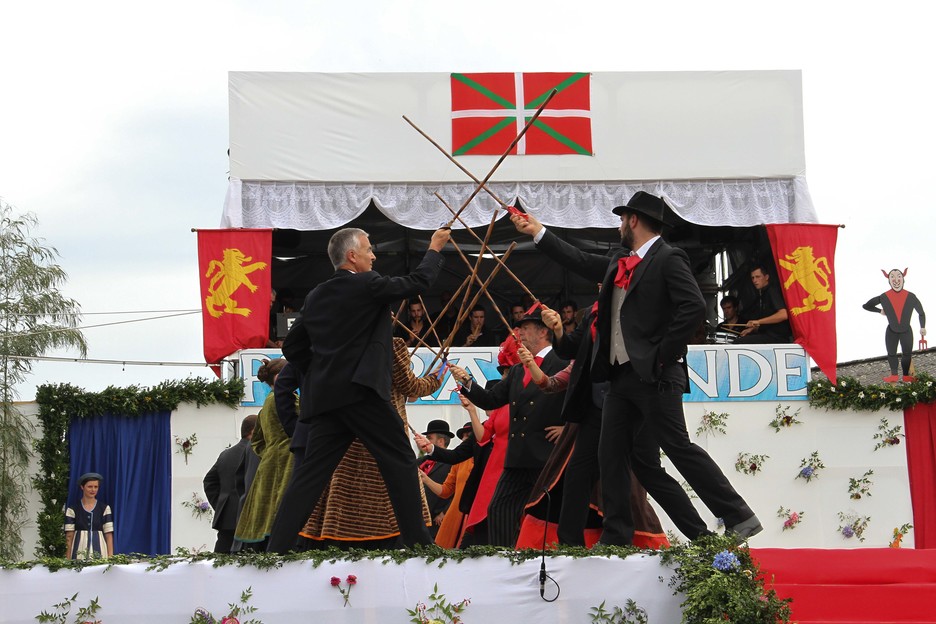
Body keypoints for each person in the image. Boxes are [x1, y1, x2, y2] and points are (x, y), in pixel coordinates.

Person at [511, 191, 760, 546]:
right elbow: (580, 259)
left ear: (633, 220)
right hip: (619, 379)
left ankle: (739, 516)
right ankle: (617, 536)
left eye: (620, 220)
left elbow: (692, 308)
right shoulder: (620, 262)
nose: (618, 227)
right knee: (611, 456)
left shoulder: (669, 258)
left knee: (677, 446)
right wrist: (538, 232)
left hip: (656, 375)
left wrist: (659, 356)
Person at [267, 226, 451, 552]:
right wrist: (435, 248)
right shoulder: (367, 284)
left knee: (310, 475)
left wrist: (321, 371)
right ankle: (420, 545)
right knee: (400, 460)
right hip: (361, 394)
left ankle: (277, 548)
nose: (373, 255)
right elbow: (418, 283)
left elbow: (293, 347)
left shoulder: (316, 294)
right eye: (368, 249)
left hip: (326, 400)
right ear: (352, 256)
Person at [514, 304, 679, 548]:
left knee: (628, 485)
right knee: (576, 479)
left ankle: (625, 542)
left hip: (623, 428)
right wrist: (532, 365)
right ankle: (572, 543)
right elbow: (551, 384)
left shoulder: (628, 353)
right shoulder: (582, 359)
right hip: (591, 426)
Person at [440, 310, 569, 547]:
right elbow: (491, 400)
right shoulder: (518, 369)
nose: (519, 333)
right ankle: (504, 559)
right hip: (518, 457)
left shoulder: (562, 362)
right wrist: (467, 381)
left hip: (547, 455)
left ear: (543, 332)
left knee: (552, 513)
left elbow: (579, 399)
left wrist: (568, 428)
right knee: (499, 507)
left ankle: (557, 558)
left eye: (525, 328)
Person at [299, 337, 441, 548]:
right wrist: (437, 376)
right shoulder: (391, 343)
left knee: (345, 487)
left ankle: (337, 538)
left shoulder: (339, 340)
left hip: (348, 429)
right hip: (384, 429)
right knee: (396, 490)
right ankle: (411, 542)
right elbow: (411, 387)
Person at [234, 358, 292, 550]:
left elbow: (256, 441)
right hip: (287, 462)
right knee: (282, 510)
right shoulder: (286, 399)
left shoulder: (266, 404)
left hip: (269, 464)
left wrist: (270, 453)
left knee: (267, 511)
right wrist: (284, 448)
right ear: (279, 377)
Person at [420, 402, 484, 549]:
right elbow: (446, 490)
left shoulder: (488, 457)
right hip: (456, 517)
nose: (466, 438)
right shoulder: (459, 462)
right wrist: (425, 479)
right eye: (464, 436)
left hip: (478, 515)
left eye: (470, 435)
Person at [203, 414, 257, 553]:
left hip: (226, 519)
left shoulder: (225, 454)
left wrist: (221, 503)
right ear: (253, 431)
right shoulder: (258, 452)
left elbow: (209, 481)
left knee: (221, 562)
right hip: (251, 518)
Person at [863, 268, 927, 382]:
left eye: (899, 276)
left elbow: (921, 312)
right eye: (892, 276)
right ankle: (894, 374)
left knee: (907, 354)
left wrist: (922, 327)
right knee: (891, 353)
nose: (896, 279)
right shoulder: (884, 297)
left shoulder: (911, 297)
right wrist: (879, 311)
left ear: (903, 279)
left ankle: (906, 375)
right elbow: (866, 305)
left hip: (906, 330)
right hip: (891, 330)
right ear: (889, 280)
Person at [735, 265, 792, 344]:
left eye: (758, 277)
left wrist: (758, 321)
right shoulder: (763, 294)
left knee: (738, 343)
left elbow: (783, 314)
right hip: (768, 335)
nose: (755, 280)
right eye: (753, 278)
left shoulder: (772, 291)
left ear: (766, 277)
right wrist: (751, 329)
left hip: (777, 338)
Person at [64, 472, 114, 560]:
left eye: (96, 487)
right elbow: (69, 536)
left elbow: (108, 535)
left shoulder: (105, 508)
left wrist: (110, 557)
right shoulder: (72, 509)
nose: (93, 490)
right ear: (82, 487)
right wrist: (67, 558)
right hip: (79, 549)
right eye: (90, 487)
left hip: (99, 549)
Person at [419, 420, 454, 535]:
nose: (425, 441)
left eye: (429, 438)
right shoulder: (421, 461)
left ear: (440, 441)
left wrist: (445, 511)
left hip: (436, 518)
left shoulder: (452, 462)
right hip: (418, 517)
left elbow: (457, 490)